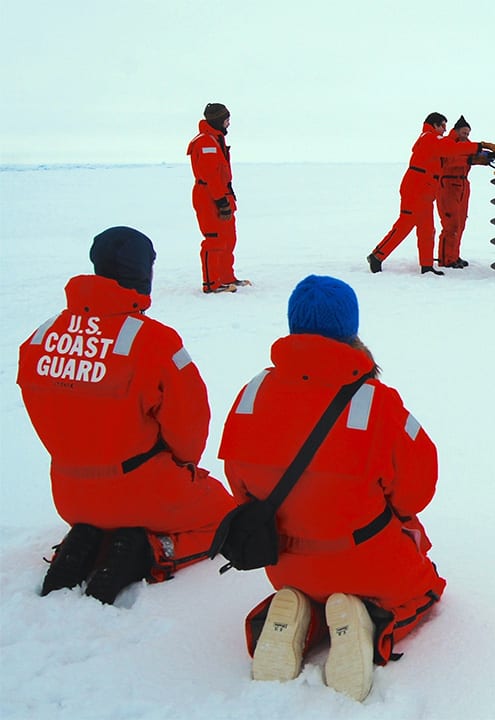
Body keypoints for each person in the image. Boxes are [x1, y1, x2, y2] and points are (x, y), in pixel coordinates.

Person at [219, 275, 446, 701]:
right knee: (426, 589)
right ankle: (367, 620)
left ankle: (296, 616)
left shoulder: (251, 393)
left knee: (309, 579)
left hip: (284, 561)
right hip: (364, 558)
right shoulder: (377, 402)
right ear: (352, 330)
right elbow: (417, 489)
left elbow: (240, 486)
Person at [16, 226, 235, 605]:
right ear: (143, 274)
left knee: (103, 512)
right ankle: (150, 551)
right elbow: (190, 429)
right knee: (229, 516)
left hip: (70, 495)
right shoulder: (155, 342)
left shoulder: (39, 338)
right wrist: (181, 470)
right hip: (144, 490)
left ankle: (86, 541)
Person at [368, 113, 495, 275]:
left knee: (427, 229)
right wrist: (480, 145)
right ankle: (377, 255)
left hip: (426, 191)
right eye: (443, 126)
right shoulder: (429, 138)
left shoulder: (434, 142)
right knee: (405, 224)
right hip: (416, 189)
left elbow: (449, 159)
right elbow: (452, 149)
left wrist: (473, 160)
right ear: (435, 125)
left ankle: (427, 265)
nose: (445, 129)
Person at [187, 102, 248, 294]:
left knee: (228, 238)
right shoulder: (206, 142)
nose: (229, 124)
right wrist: (220, 201)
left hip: (222, 194)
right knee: (214, 239)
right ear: (218, 120)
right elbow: (210, 175)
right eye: (227, 120)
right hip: (209, 196)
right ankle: (212, 283)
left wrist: (226, 199)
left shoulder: (215, 139)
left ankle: (226, 277)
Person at [436, 115, 492, 269]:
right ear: (456, 131)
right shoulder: (447, 144)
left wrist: (486, 158)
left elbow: (471, 158)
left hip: (463, 185)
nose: (466, 135)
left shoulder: (467, 145)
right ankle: (445, 259)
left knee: (460, 223)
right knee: (450, 223)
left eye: (468, 133)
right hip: (448, 184)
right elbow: (448, 161)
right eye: (463, 132)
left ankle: (454, 255)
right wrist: (470, 160)